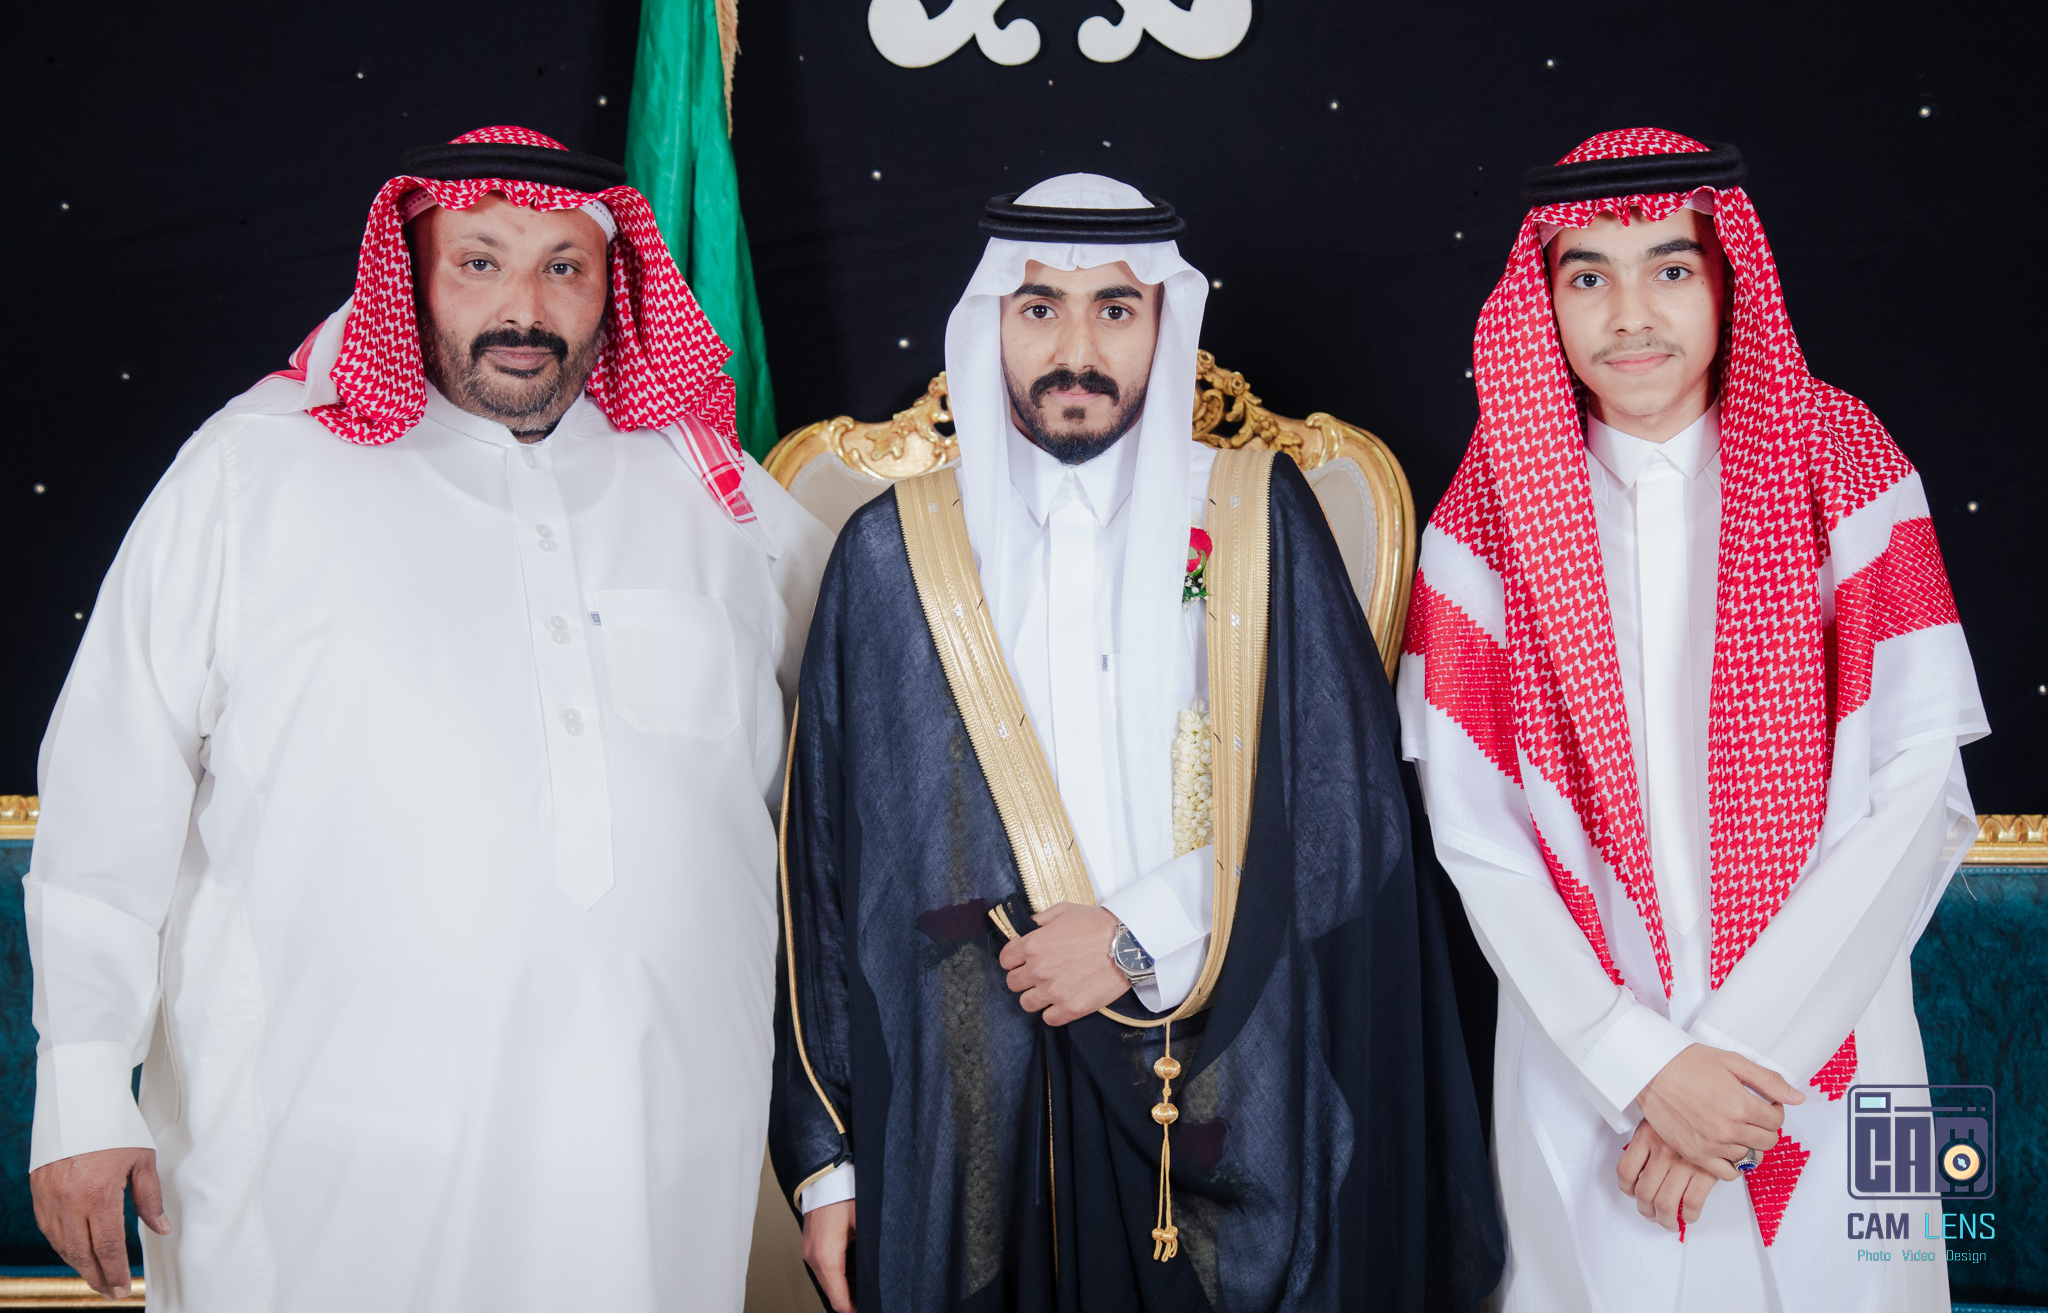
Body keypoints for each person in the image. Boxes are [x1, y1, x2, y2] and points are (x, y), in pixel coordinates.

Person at [24, 126, 831, 1311]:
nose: (524, 308)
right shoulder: (253, 474)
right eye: (480, 262)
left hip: (649, 1148)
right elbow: (111, 786)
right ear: (408, 273)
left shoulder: (714, 496)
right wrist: (84, 1088)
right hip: (325, 1138)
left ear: (614, 286)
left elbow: (867, 727)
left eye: (564, 267)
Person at [771, 174, 1501, 1312]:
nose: (1076, 350)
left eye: (1114, 309)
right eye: (1039, 308)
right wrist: (827, 1163)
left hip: (1224, 1079)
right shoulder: (892, 550)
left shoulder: (1253, 515)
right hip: (970, 1109)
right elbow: (823, 871)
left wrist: (1135, 935)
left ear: (1165, 322)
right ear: (990, 323)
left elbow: (1345, 815)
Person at [1399, 127, 1986, 1310]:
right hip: (1587, 1069)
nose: (1628, 315)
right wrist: (1640, 1064)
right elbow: (1474, 829)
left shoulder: (1841, 459)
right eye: (1586, 276)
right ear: (1543, 300)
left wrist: (1733, 1070)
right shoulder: (1487, 508)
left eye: (1668, 268)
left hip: (1834, 1041)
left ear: (1726, 280)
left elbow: (1915, 784)